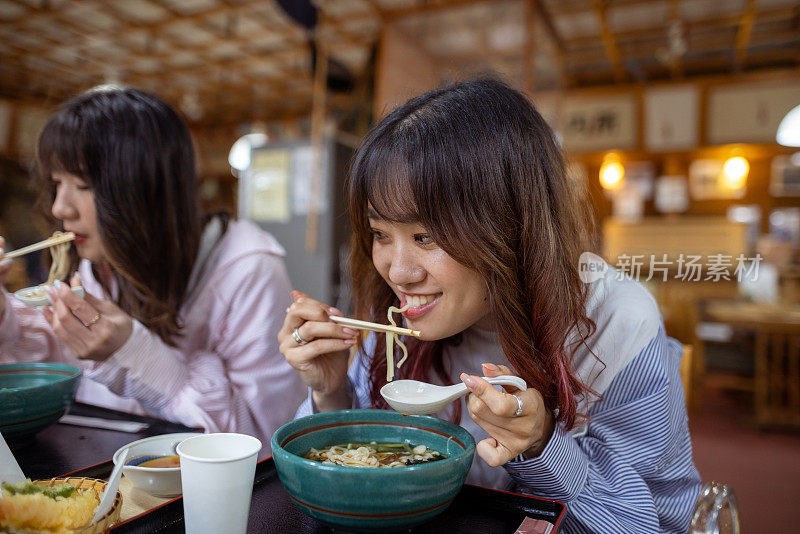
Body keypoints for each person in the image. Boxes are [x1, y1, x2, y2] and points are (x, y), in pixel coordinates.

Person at [279, 78, 701, 532]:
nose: (398, 271)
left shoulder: (616, 322)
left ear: (509, 224)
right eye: (381, 234)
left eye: (426, 236)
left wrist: (541, 446)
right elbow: (365, 475)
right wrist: (331, 391)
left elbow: (660, 524)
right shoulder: (397, 312)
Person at [0, 86, 306, 453]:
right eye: (56, 183)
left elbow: (264, 439)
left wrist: (134, 352)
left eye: (82, 184)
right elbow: (57, 359)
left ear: (145, 190)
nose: (60, 207)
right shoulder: (99, 261)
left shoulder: (247, 268)